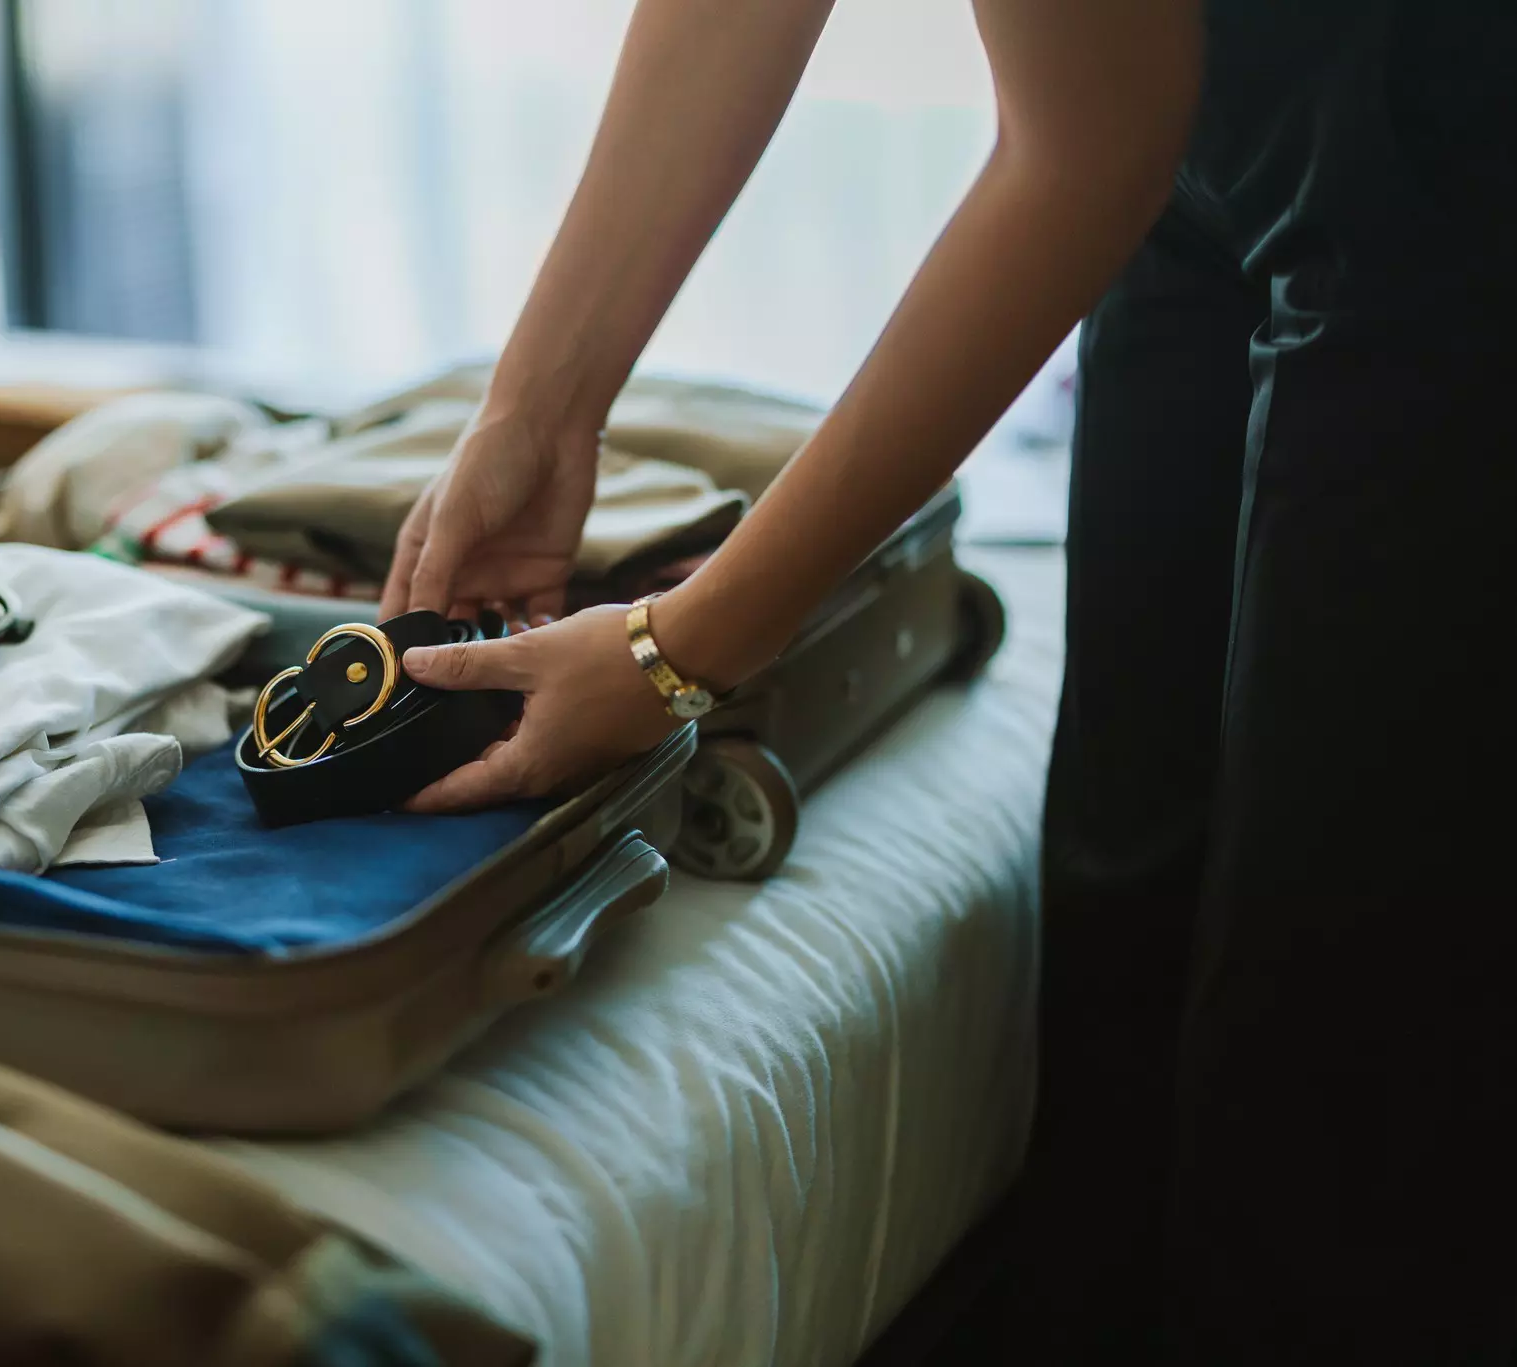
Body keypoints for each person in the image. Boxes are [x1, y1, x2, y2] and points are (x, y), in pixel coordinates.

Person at [379, 0, 1516, 1361]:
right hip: (1204, 125)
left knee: (1328, 1006)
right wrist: (536, 412)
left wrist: (678, 648)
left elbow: (1080, 154)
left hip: (1450, 132)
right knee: (1125, 886)